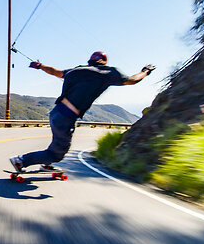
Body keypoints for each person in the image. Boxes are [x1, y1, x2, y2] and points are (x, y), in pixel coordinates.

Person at [9, 51, 155, 172]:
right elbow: (132, 80)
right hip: (66, 116)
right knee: (58, 153)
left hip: (56, 112)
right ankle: (21, 160)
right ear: (104, 61)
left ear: (90, 60)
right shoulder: (107, 72)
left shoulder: (77, 70)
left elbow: (56, 72)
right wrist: (145, 71)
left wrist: (40, 66)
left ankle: (46, 164)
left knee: (56, 144)